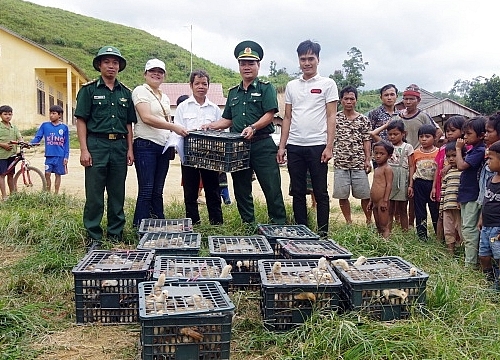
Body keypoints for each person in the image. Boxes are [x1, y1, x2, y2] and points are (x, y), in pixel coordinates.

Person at [204, 40, 286, 226]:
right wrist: (210, 126)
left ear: (258, 65)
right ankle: (248, 225)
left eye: (251, 63)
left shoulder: (266, 88)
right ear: (239, 66)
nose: (246, 67)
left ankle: (279, 225)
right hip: (238, 146)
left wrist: (254, 127)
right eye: (243, 63)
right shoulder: (233, 92)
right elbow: (228, 120)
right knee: (241, 188)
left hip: (262, 144)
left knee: (271, 187)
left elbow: (270, 114)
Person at [74, 46, 136, 248]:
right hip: (96, 145)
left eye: (115, 62)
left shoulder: (126, 93)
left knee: (117, 193)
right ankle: (94, 236)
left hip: (119, 146)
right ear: (99, 65)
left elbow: (128, 124)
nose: (111, 66)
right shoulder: (88, 90)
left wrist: (130, 149)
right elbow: (81, 121)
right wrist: (84, 149)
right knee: (94, 194)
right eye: (107, 62)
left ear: (119, 66)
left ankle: (115, 235)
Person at [277, 40, 337, 236]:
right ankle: (301, 232)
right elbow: (287, 117)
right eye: (303, 59)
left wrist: (329, 146)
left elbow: (331, 116)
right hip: (295, 146)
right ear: (299, 61)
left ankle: (322, 234)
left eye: (311, 58)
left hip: (318, 146)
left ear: (318, 59)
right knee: (298, 192)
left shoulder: (328, 84)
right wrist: (282, 146)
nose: (307, 63)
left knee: (320, 192)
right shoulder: (292, 86)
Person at [131, 59, 187, 227]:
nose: (156, 74)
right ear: (145, 74)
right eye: (152, 71)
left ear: (164, 75)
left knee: (157, 190)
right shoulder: (141, 91)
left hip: (162, 147)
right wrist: (173, 127)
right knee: (146, 189)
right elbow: (146, 118)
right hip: (145, 145)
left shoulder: (164, 97)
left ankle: (158, 224)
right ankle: (139, 226)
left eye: (160, 72)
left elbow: (165, 120)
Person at [174, 69, 223, 225]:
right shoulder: (183, 107)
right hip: (189, 156)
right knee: (190, 190)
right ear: (191, 85)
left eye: (204, 83)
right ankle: (193, 222)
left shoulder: (214, 108)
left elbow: (221, 129)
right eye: (197, 83)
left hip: (210, 156)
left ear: (208, 86)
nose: (201, 86)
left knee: (213, 189)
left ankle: (216, 223)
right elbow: (177, 128)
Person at [332, 85, 372, 224]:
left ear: (356, 100)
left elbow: (367, 140)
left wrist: (368, 159)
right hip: (340, 163)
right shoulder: (334, 119)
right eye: (346, 99)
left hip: (358, 163)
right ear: (341, 100)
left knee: (365, 195)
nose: (349, 101)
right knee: (342, 195)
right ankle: (348, 221)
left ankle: (368, 220)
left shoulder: (363, 120)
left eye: (352, 99)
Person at [371, 119, 414, 231]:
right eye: (390, 134)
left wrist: (410, 184)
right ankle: (387, 232)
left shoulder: (408, 147)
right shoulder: (386, 146)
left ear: (403, 133)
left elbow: (411, 166)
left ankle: (405, 233)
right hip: (388, 181)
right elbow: (373, 134)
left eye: (396, 134)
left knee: (402, 208)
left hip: (402, 178)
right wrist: (386, 126)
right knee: (389, 208)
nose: (392, 137)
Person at [456, 116, 486, 268]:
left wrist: (457, 149)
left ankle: (470, 264)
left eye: (468, 134)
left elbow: (461, 165)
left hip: (473, 195)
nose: (465, 137)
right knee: (468, 228)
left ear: (481, 135)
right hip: (467, 194)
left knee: (469, 230)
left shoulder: (479, 150)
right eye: (464, 134)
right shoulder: (474, 149)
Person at [430, 116, 466, 241]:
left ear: (462, 131)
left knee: (458, 218)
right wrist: (434, 187)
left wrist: (450, 164)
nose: (449, 133)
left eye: (453, 130)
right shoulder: (442, 149)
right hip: (444, 185)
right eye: (447, 131)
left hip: (457, 187)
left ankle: (458, 242)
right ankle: (440, 242)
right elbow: (438, 168)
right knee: (442, 215)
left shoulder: (465, 148)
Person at [477, 113, 500, 281]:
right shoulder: (491, 178)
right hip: (486, 224)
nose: (487, 161)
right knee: (484, 254)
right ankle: (489, 278)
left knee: (498, 256)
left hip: (497, 227)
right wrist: (481, 217)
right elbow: (486, 200)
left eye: (490, 159)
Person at [29, 105, 69, 194]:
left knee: (58, 175)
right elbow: (38, 137)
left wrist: (66, 156)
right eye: (50, 113)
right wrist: (30, 144)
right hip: (49, 155)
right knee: (47, 174)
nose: (51, 115)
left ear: (59, 115)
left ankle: (56, 194)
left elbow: (66, 143)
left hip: (60, 155)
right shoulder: (45, 125)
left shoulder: (64, 127)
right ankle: (47, 193)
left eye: (54, 113)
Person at [412, 124, 439, 241]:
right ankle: (422, 236)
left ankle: (439, 235)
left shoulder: (439, 152)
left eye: (427, 136)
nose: (423, 139)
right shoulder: (415, 153)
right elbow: (412, 169)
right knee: (419, 210)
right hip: (419, 183)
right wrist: (411, 186)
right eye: (421, 136)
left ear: (434, 138)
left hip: (433, 185)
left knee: (435, 210)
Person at [400, 84, 443, 148]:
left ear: (418, 100)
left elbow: (439, 132)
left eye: (411, 99)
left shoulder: (423, 116)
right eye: (406, 99)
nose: (408, 102)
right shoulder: (398, 116)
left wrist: (429, 147)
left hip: (419, 154)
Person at [439, 141, 463, 255]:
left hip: (459, 207)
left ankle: (465, 252)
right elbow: (443, 191)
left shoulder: (463, 171)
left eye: (454, 155)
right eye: (448, 156)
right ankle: (450, 252)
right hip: (447, 207)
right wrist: (441, 208)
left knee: (462, 230)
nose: (451, 159)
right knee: (448, 230)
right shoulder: (446, 174)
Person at [368, 141, 394, 238]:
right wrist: (371, 201)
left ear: (389, 156)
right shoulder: (376, 169)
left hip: (382, 201)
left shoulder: (387, 169)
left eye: (382, 154)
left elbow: (389, 185)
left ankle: (386, 243)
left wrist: (385, 200)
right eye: (376, 153)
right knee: (378, 225)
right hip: (375, 201)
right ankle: (379, 242)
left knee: (384, 226)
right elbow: (374, 185)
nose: (378, 156)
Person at [0, 105, 22, 200]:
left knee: (10, 175)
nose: (8, 116)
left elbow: (19, 137)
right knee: (2, 175)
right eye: (5, 114)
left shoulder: (14, 127)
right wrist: (3, 145)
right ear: (1, 115)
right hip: (2, 155)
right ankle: (4, 196)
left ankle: (13, 195)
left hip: (11, 155)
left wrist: (24, 142)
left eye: (10, 114)